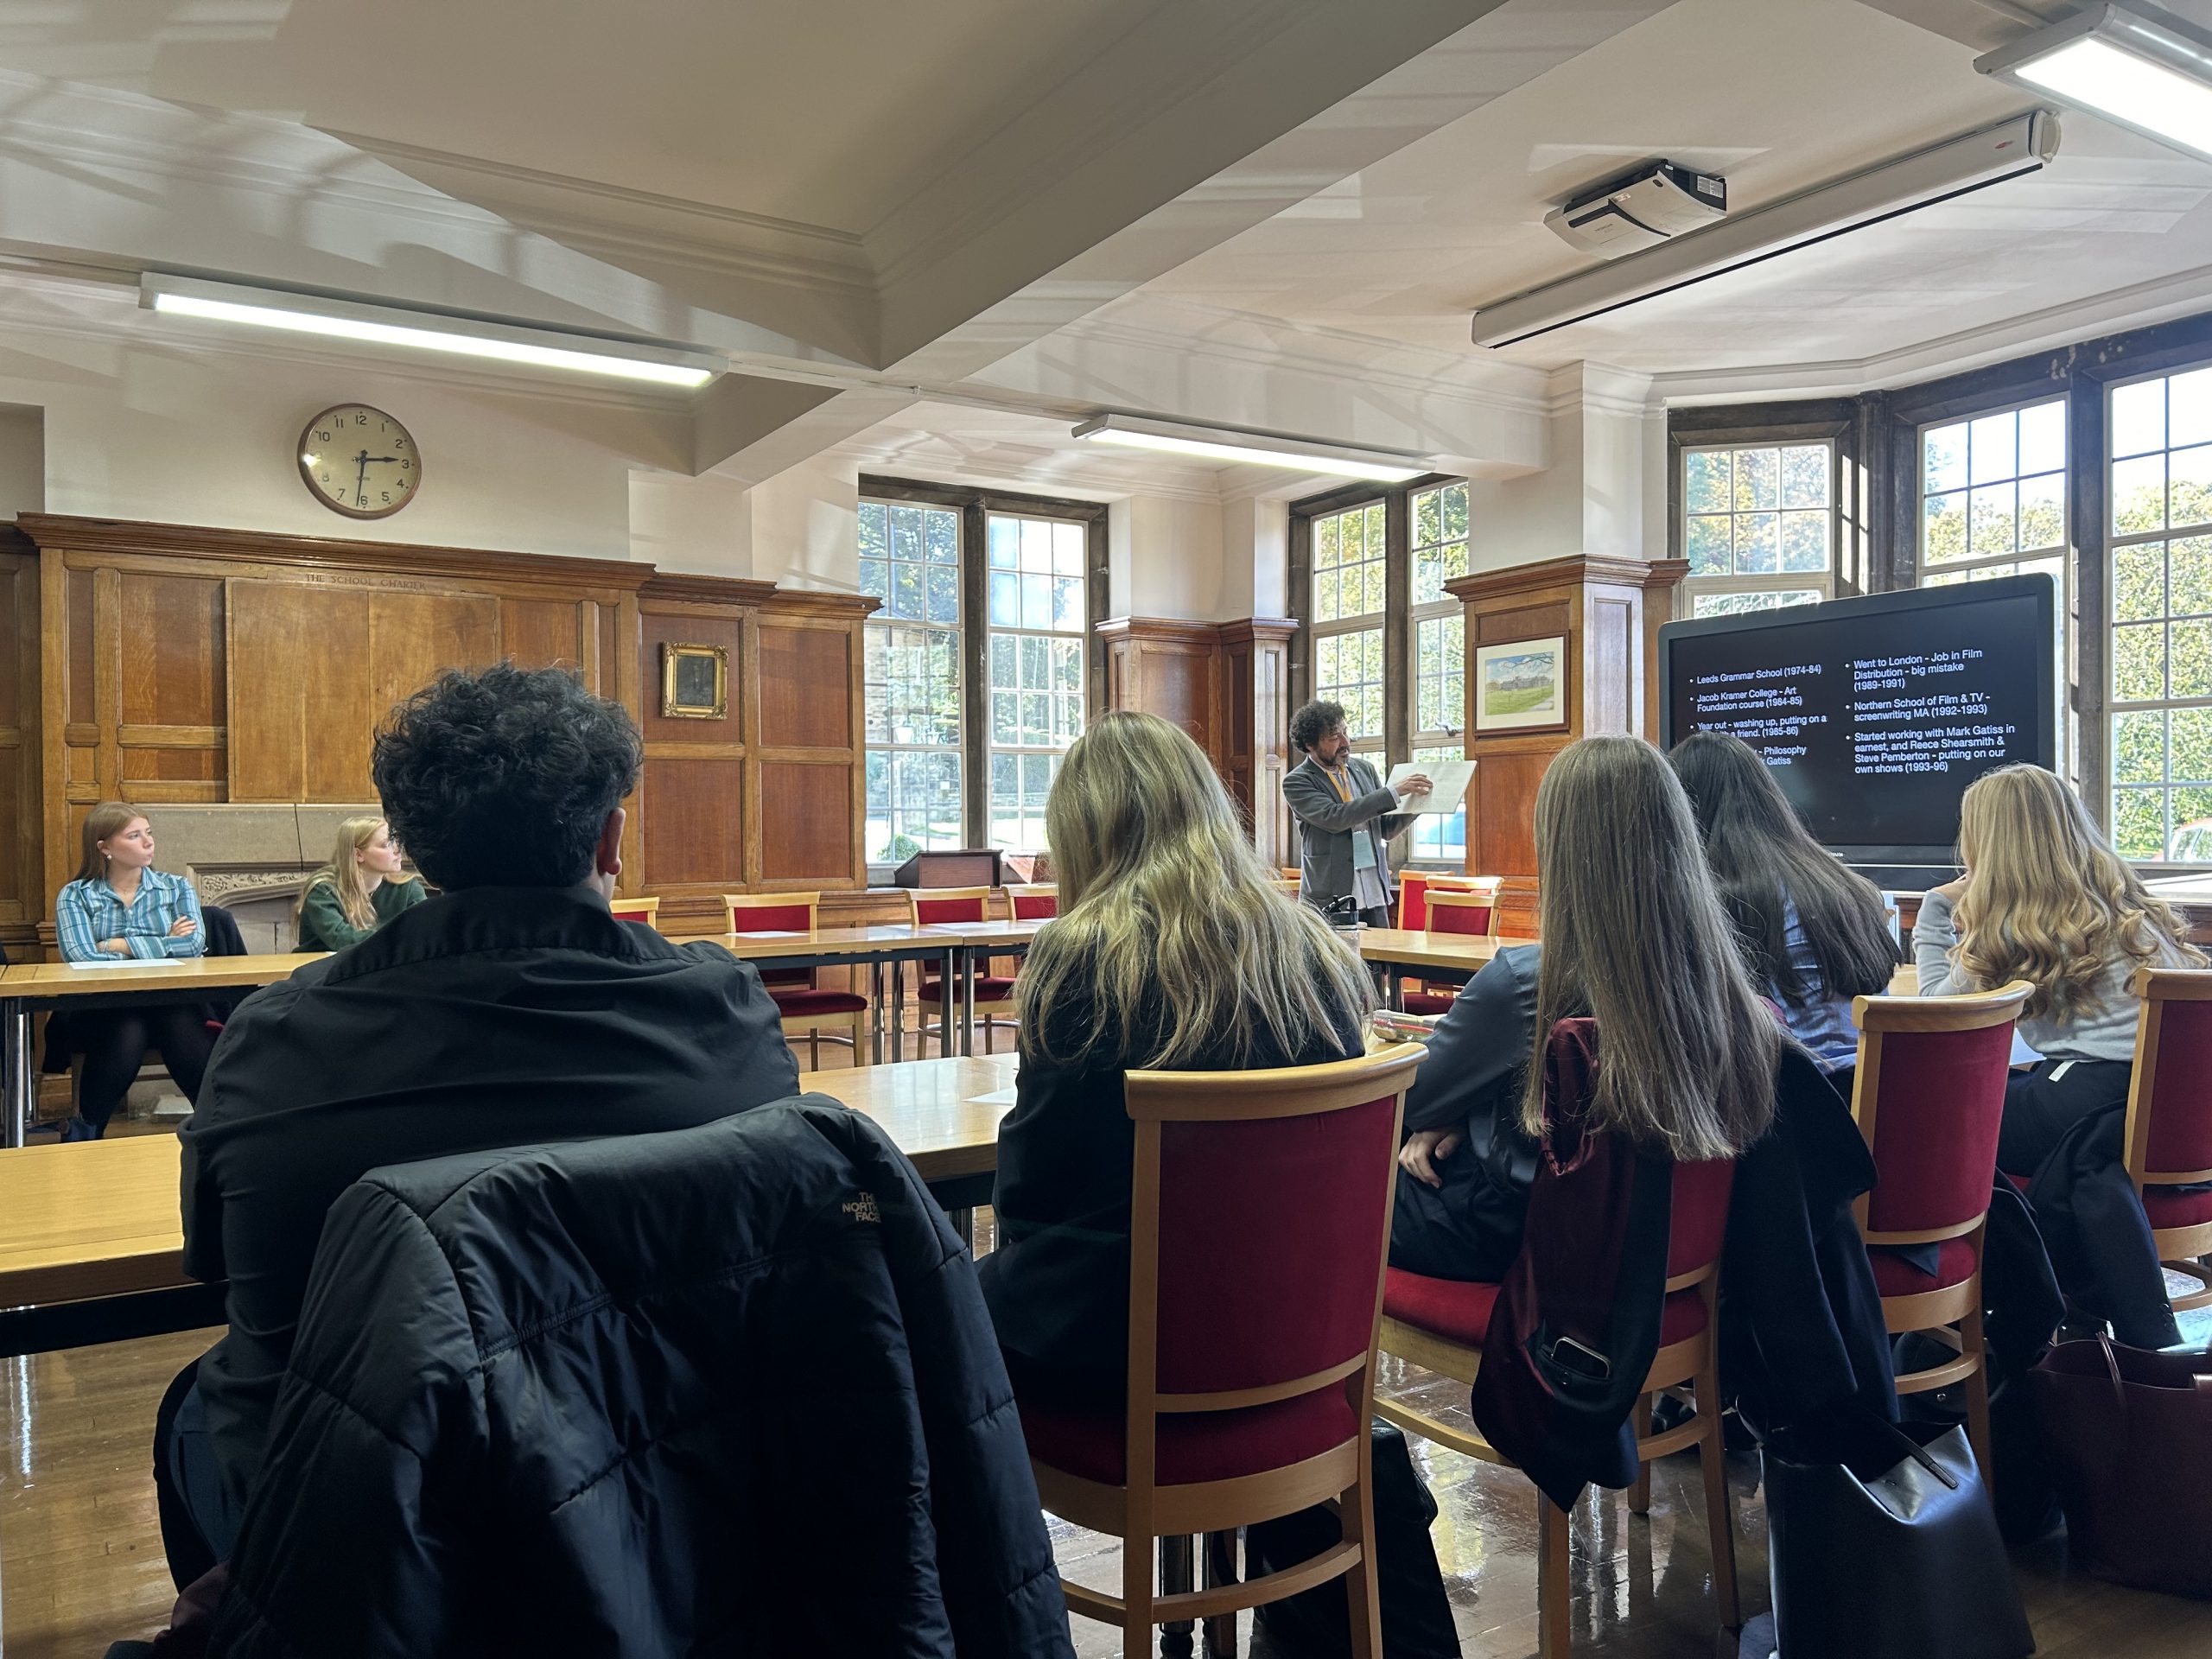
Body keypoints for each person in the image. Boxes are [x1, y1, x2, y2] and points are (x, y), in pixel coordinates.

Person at [162, 663, 801, 1584]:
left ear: (414, 850)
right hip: (672, 1484)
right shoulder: (726, 1010)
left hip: (368, 1529)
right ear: (612, 835)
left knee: (198, 1400)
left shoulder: (278, 1037)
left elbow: (218, 1263)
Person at [979, 710, 1374, 1402]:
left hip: (1122, 1347)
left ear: (1082, 835)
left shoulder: (1081, 961)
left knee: (904, 1304)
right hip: (1296, 1330)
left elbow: (1027, 1197)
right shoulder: (1316, 953)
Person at [1390, 734, 1781, 1281]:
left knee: (1346, 1177)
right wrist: (1467, 1111)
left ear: (1559, 848)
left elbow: (1410, 1100)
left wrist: (1452, 1110)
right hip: (1671, 1252)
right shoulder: (1731, 992)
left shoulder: (1523, 982)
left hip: (1535, 1248)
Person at [1915, 763, 2202, 1180]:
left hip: (2097, 1110)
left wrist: (1936, 907)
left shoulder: (2019, 925)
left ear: (1990, 845)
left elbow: (1931, 1011)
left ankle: (1938, 1241)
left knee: (1922, 1107)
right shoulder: (2122, 908)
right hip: (2173, 1113)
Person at [1669, 731, 1900, 1084]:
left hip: (1796, 1114)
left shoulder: (1722, 901)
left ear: (1685, 812)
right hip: (1880, 1099)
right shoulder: (1850, 885)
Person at [52, 802, 215, 1141]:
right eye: (134, 835)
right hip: (102, 1007)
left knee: (179, 1019)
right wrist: (163, 939)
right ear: (105, 848)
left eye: (149, 833)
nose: (148, 842)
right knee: (127, 1027)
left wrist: (116, 945)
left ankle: (216, 1128)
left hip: (167, 999)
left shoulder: (175, 887)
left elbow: (195, 944)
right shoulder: (75, 895)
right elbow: (80, 956)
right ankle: (88, 1132)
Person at [1282, 699, 1431, 925]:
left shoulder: (1364, 769)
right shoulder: (1297, 781)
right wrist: (1394, 791)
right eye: (1334, 737)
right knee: (1336, 961)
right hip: (1330, 896)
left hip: (1374, 888)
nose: (1345, 742)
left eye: (1345, 732)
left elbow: (1385, 829)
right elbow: (1335, 818)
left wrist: (1419, 803)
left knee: (1382, 960)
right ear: (1310, 744)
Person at [291, 816, 426, 952]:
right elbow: (341, 940)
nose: (398, 850)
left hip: (382, 968)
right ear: (358, 855)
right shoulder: (323, 890)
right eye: (386, 845)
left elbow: (426, 931)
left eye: (396, 841)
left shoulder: (408, 887)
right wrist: (401, 939)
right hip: (324, 969)